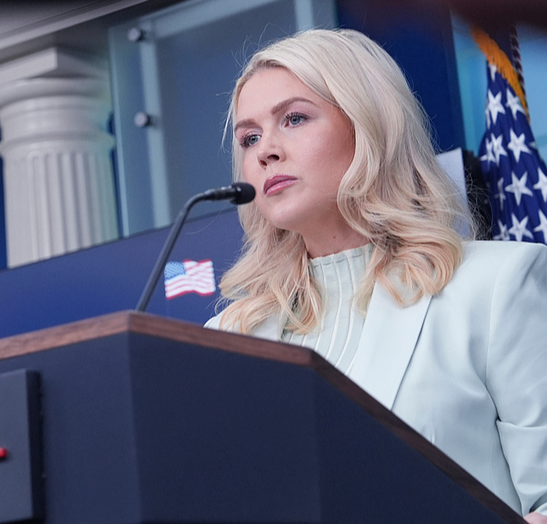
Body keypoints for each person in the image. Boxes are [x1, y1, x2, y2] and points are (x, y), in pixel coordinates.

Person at [205, 28, 547, 522]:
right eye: (249, 138)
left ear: (369, 125)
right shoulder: (226, 339)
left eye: (294, 118)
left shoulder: (496, 286)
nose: (265, 152)